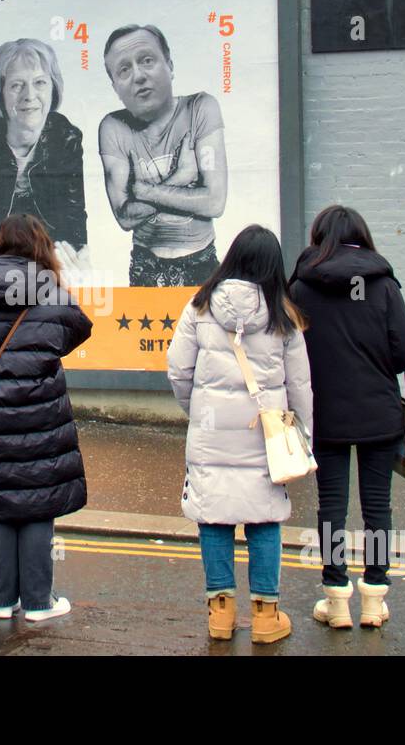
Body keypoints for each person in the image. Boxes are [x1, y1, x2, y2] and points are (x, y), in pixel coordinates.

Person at [166, 224, 311, 644]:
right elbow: (301, 386)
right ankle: (266, 619)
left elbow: (178, 370)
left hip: (210, 435)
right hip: (265, 438)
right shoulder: (285, 314)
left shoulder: (199, 306)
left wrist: (196, 411)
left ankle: (220, 616)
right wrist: (302, 438)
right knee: (264, 518)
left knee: (213, 517)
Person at [0, 214, 92, 622]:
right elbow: (80, 328)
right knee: (35, 504)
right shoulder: (47, 290)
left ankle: (1, 601)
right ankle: (37, 603)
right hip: (39, 419)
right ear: (40, 248)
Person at [289, 205, 405, 629]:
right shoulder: (381, 284)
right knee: (377, 507)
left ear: (318, 236)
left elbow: (289, 353)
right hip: (378, 412)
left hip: (325, 414)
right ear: (361, 235)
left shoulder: (302, 288)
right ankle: (374, 599)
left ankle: (336, 598)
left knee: (332, 508)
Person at [98, 24, 228, 286]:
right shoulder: (113, 127)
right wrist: (181, 178)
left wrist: (144, 192)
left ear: (169, 65)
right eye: (124, 69)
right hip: (146, 265)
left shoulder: (200, 108)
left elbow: (215, 202)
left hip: (201, 261)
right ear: (114, 86)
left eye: (147, 60)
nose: (139, 76)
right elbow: (125, 217)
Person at [0, 39, 88, 278]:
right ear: (0, 93)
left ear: (53, 87)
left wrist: (74, 261)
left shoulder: (66, 135)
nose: (30, 95)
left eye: (40, 83)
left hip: (57, 254)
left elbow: (73, 216)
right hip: (6, 257)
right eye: (17, 85)